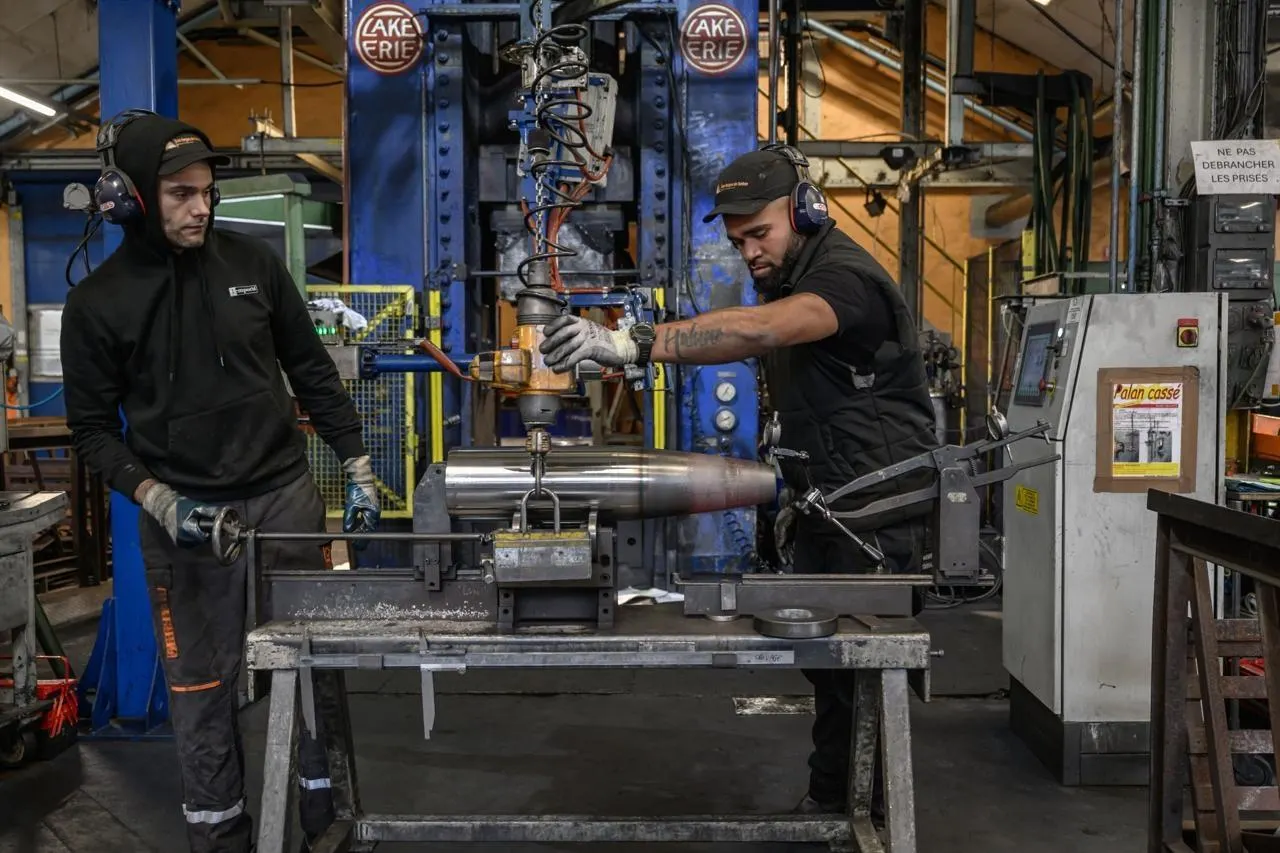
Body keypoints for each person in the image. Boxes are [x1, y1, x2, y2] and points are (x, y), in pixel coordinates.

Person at [538, 144, 939, 816]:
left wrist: (633, 343)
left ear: (805, 210)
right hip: (832, 510)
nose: (749, 252)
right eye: (737, 241)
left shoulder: (843, 279)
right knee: (834, 672)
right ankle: (834, 804)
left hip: (876, 520)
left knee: (862, 671)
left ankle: (868, 816)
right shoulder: (790, 276)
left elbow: (760, 331)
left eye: (760, 234)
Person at [60, 111, 380, 852]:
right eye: (181, 194)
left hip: (284, 498)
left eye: (207, 192)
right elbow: (92, 432)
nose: (201, 207)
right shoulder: (97, 304)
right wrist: (159, 499)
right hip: (186, 522)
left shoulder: (253, 265)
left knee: (311, 669)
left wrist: (359, 468)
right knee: (200, 687)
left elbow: (311, 370)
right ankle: (221, 833)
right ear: (132, 198)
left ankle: (325, 820)